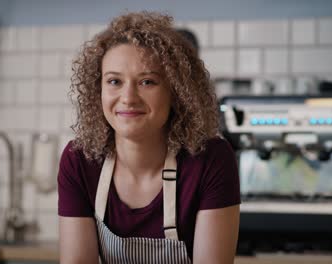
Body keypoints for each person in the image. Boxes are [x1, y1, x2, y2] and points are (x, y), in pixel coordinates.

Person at [58, 11, 240, 263]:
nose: (128, 97)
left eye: (147, 82)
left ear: (177, 92)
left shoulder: (211, 159)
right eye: (114, 81)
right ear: (97, 90)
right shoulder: (79, 160)